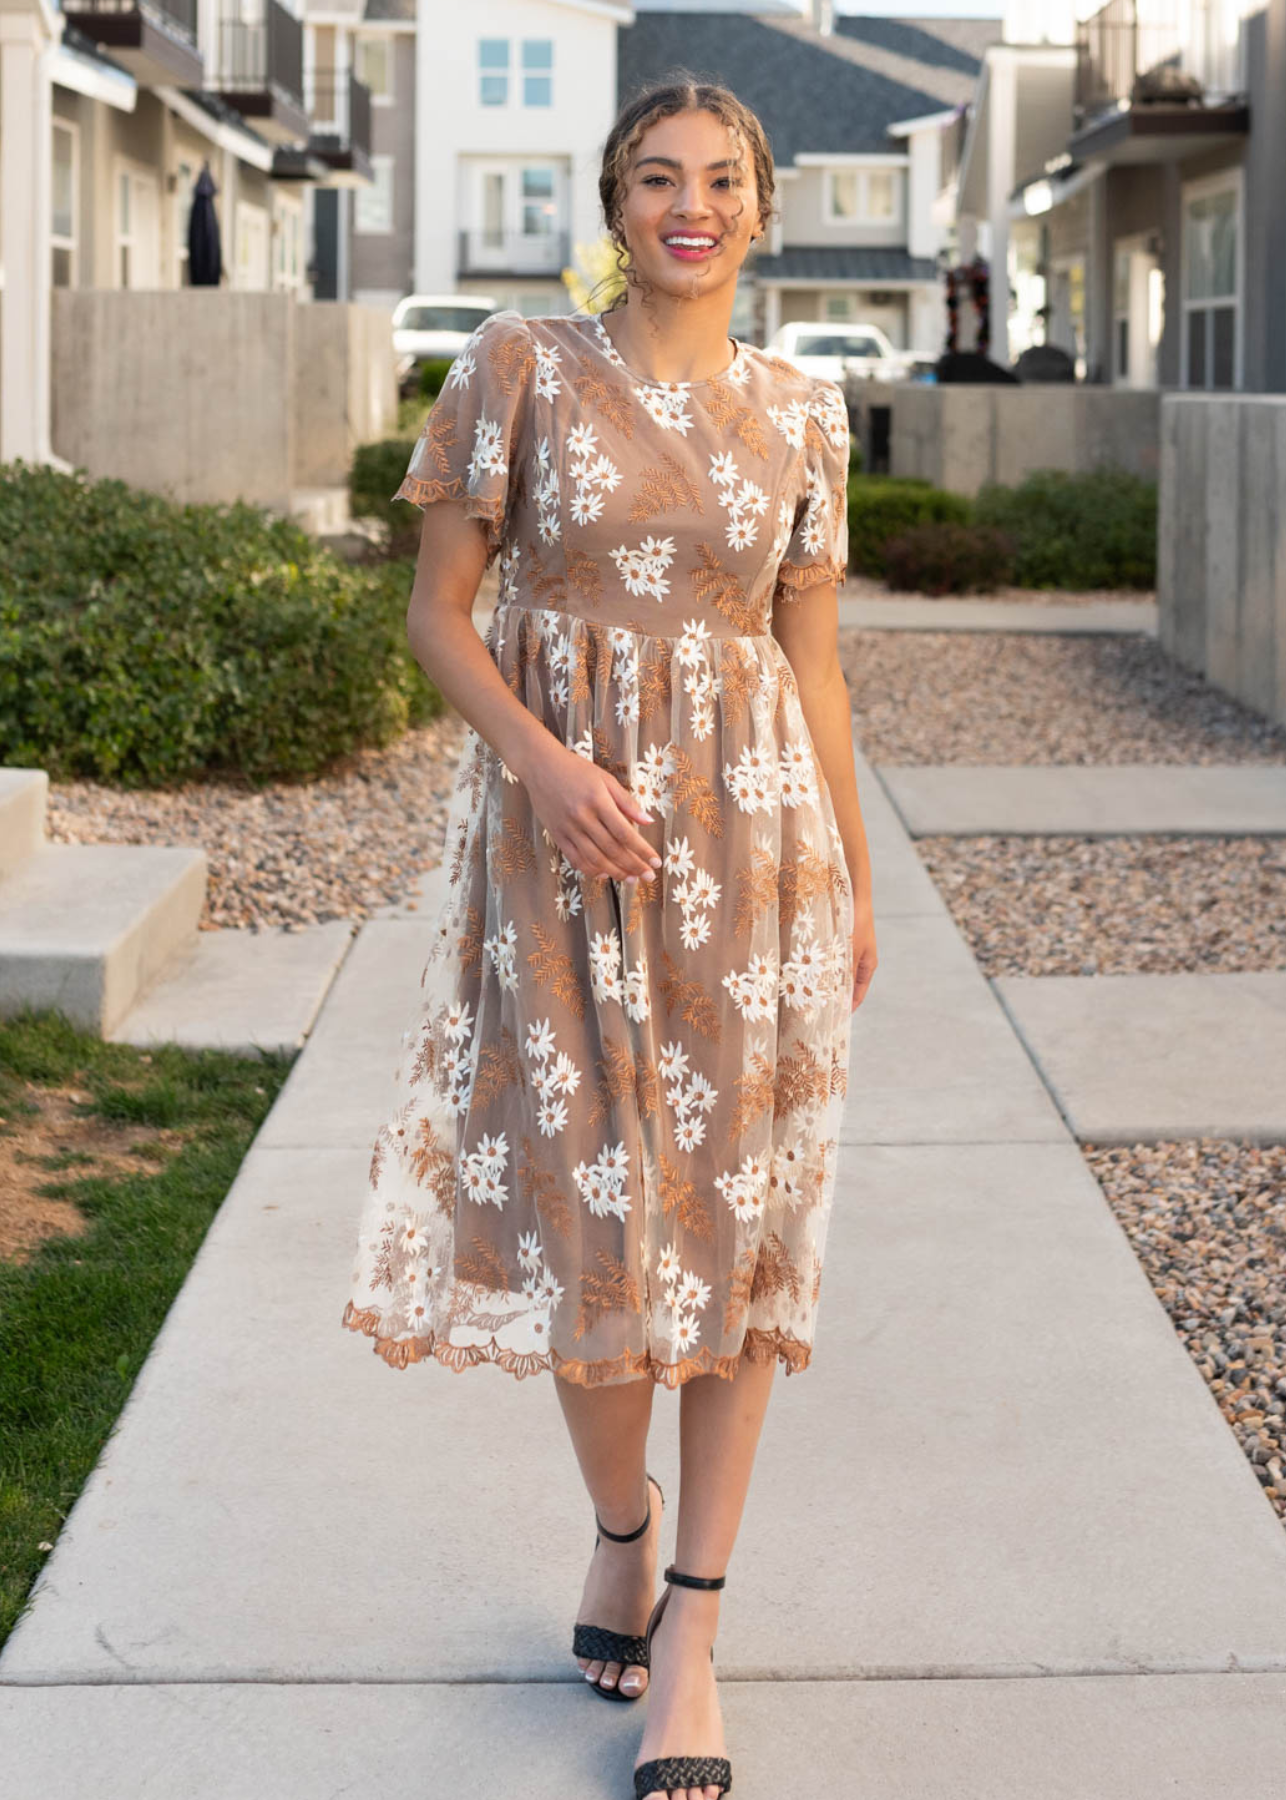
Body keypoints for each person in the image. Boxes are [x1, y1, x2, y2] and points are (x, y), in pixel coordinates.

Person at [340, 74, 878, 1800]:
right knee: (588, 1222)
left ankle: (693, 1646)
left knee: (726, 1250)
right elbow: (439, 613)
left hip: (754, 860)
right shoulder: (517, 366)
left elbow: (812, 672)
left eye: (720, 182)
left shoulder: (805, 413)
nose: (689, 207)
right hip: (560, 855)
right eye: (657, 180)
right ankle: (619, 1529)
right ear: (611, 204)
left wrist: (851, 884)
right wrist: (544, 761)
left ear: (761, 208)